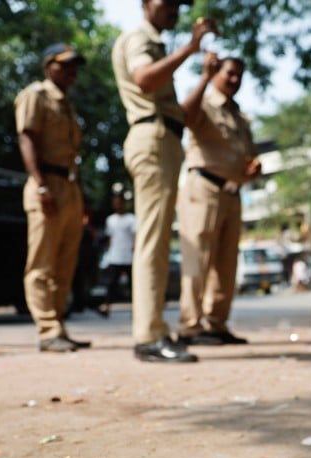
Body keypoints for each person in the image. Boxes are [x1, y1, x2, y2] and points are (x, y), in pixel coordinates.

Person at [112, 1, 216, 363]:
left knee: (157, 241)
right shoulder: (141, 37)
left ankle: (155, 329)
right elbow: (144, 79)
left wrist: (203, 74)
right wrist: (190, 47)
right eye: (166, 1)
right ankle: (148, 336)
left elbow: (182, 115)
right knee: (153, 242)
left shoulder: (157, 45)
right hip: (152, 139)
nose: (173, 7)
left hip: (165, 138)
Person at [177, 54, 261, 346]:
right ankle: (190, 326)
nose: (234, 80)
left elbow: (248, 158)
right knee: (197, 258)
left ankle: (216, 324)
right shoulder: (204, 102)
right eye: (229, 73)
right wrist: (203, 77)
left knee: (226, 263)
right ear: (216, 72)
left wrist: (252, 171)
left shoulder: (240, 116)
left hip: (233, 193)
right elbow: (184, 116)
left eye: (239, 75)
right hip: (204, 188)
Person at [14, 43, 90, 353]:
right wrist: (41, 184)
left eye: (74, 66)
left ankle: (58, 325)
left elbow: (73, 156)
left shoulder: (67, 104)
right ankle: (47, 329)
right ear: (48, 67)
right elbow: (26, 138)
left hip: (69, 186)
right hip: (46, 184)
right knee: (42, 263)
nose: (71, 71)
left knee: (64, 264)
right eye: (65, 65)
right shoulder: (36, 95)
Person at [97, 187, 137, 317]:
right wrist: (107, 254)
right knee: (111, 284)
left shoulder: (131, 219)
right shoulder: (111, 220)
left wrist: (135, 249)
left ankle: (135, 309)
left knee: (133, 285)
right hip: (115, 256)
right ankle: (106, 306)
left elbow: (135, 236)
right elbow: (110, 238)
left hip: (129, 257)